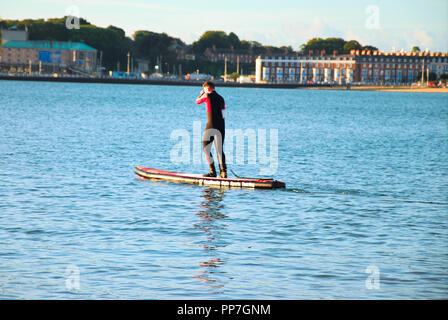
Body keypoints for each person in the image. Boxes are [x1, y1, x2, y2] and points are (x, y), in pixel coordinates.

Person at [195, 81, 227, 178]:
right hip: (221, 126)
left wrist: (202, 93)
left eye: (205, 89)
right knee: (219, 150)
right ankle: (223, 173)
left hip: (211, 126)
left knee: (206, 148)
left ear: (208, 89)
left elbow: (197, 101)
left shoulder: (207, 96)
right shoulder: (222, 98)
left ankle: (212, 172)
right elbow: (224, 115)